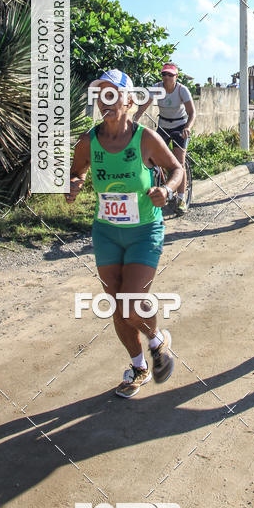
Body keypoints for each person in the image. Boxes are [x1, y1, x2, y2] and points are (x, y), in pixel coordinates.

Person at [66, 69, 183, 398]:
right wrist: (73, 185)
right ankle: (139, 367)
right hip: (106, 232)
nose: (105, 99)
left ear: (129, 100)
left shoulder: (144, 138)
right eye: (100, 94)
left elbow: (177, 169)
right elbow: (76, 172)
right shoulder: (89, 141)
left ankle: (158, 340)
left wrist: (168, 191)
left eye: (112, 93)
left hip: (145, 230)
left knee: (131, 302)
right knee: (117, 304)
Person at [134, 63, 195, 214]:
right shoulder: (156, 88)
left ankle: (181, 199)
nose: (166, 78)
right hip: (163, 126)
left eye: (170, 75)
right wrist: (133, 122)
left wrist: (188, 127)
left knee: (179, 161)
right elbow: (142, 107)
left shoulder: (182, 90)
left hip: (180, 127)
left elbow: (192, 113)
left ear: (176, 77)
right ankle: (160, 186)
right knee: (153, 158)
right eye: (164, 75)